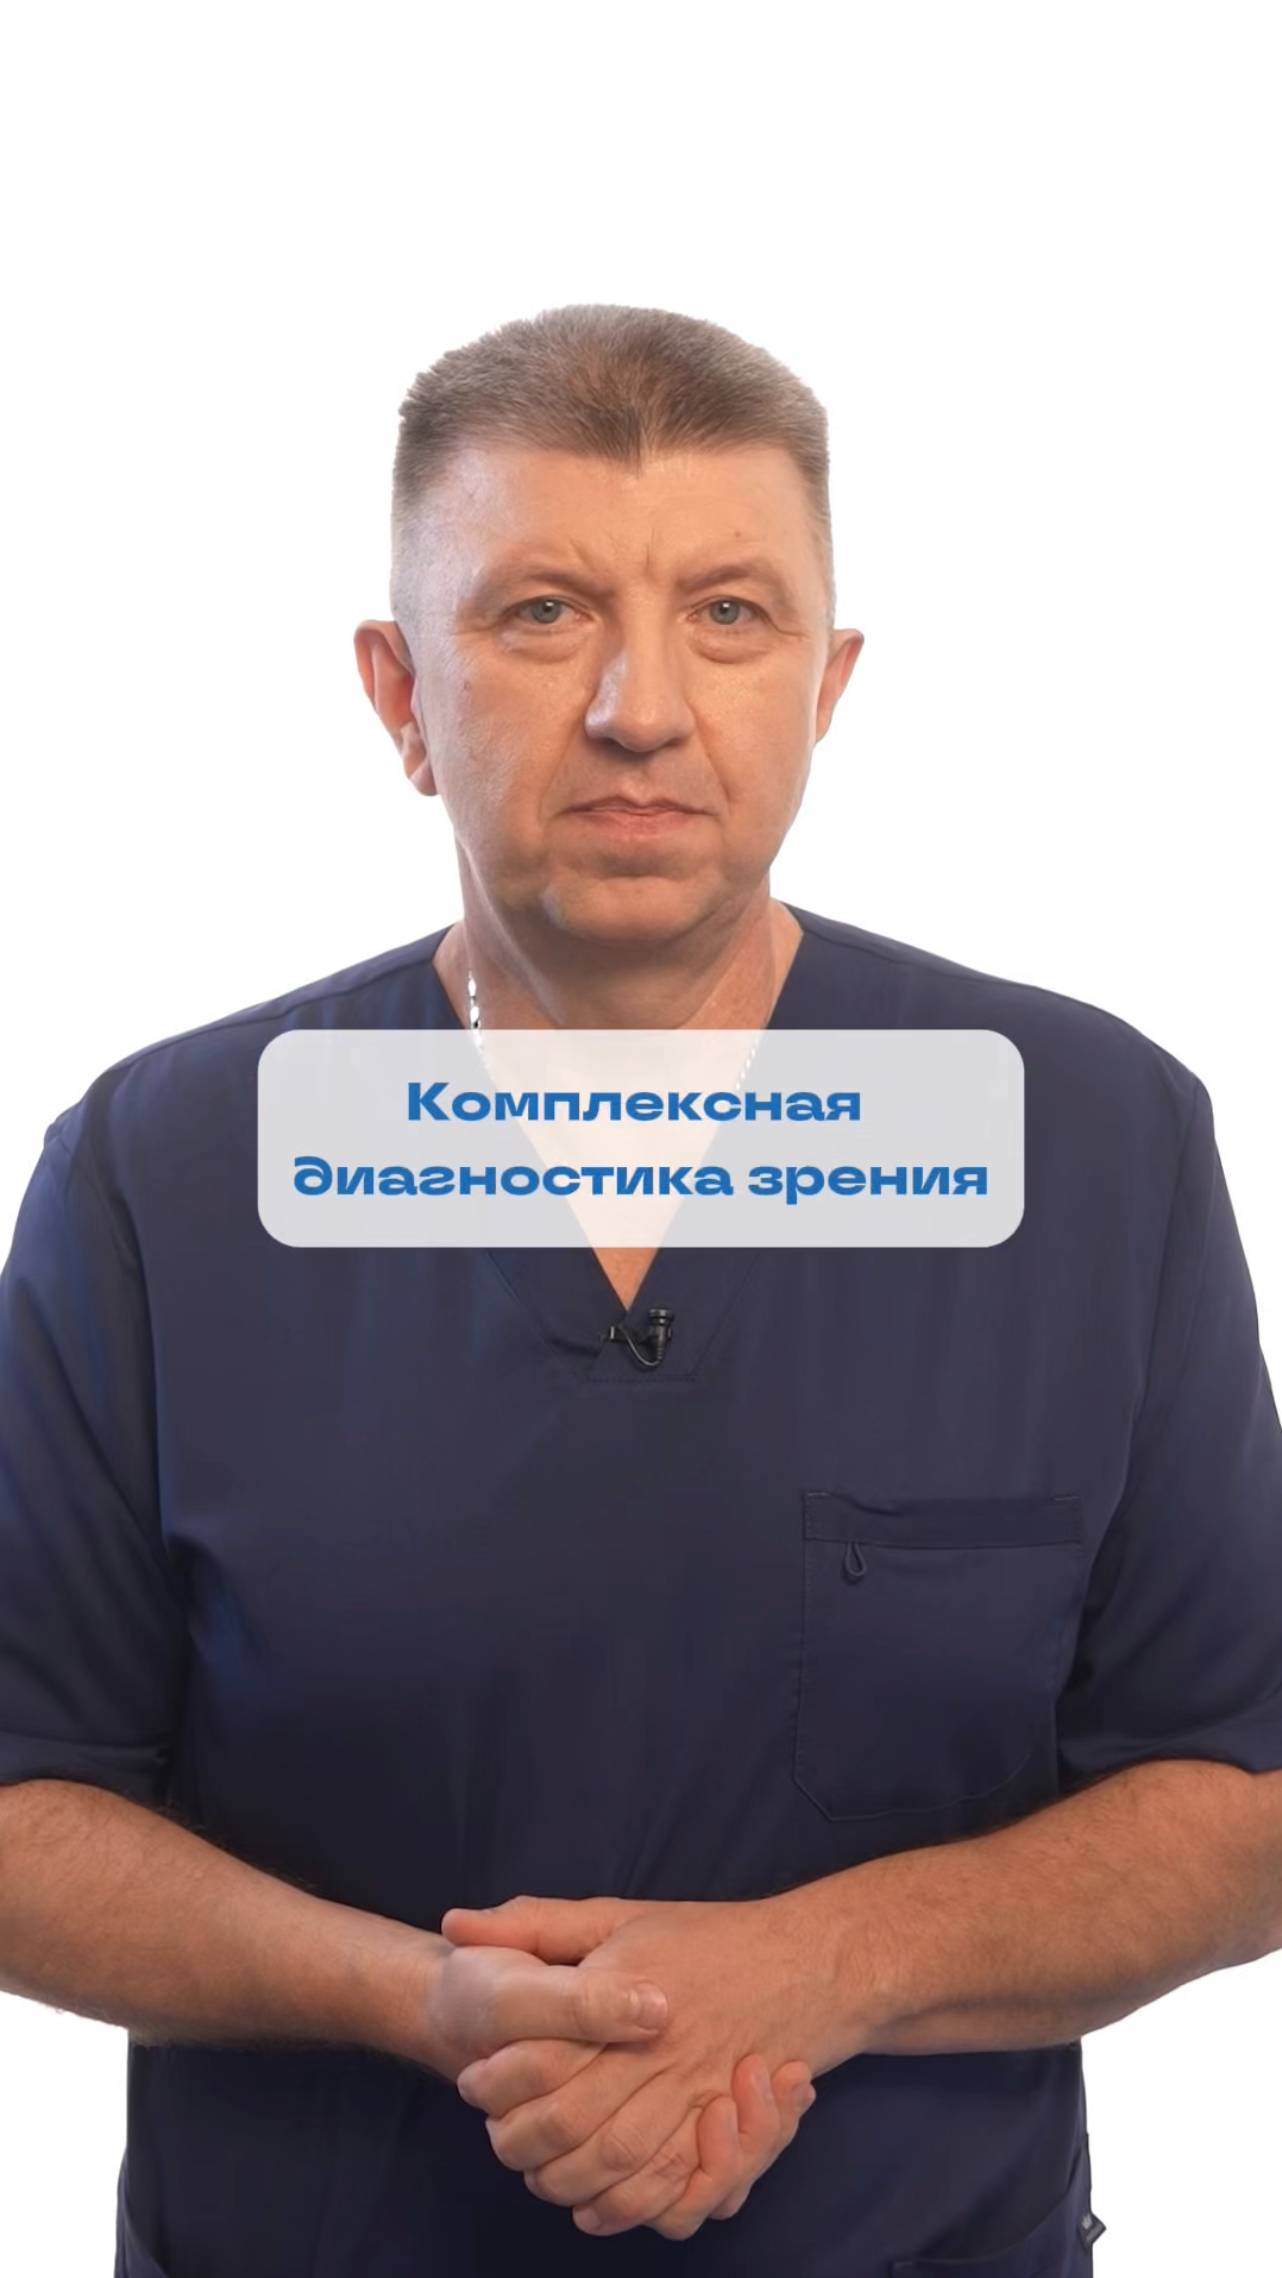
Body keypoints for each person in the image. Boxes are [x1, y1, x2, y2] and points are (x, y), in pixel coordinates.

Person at [2, 304, 1281, 2278]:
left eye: (728, 615)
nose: (638, 706)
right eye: (539, 613)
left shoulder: (1090, 1143)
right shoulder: (161, 1176)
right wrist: (421, 2001)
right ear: (398, 690)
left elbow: (1239, 1789)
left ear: (826, 683)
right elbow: (22, 1800)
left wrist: (824, 1965)